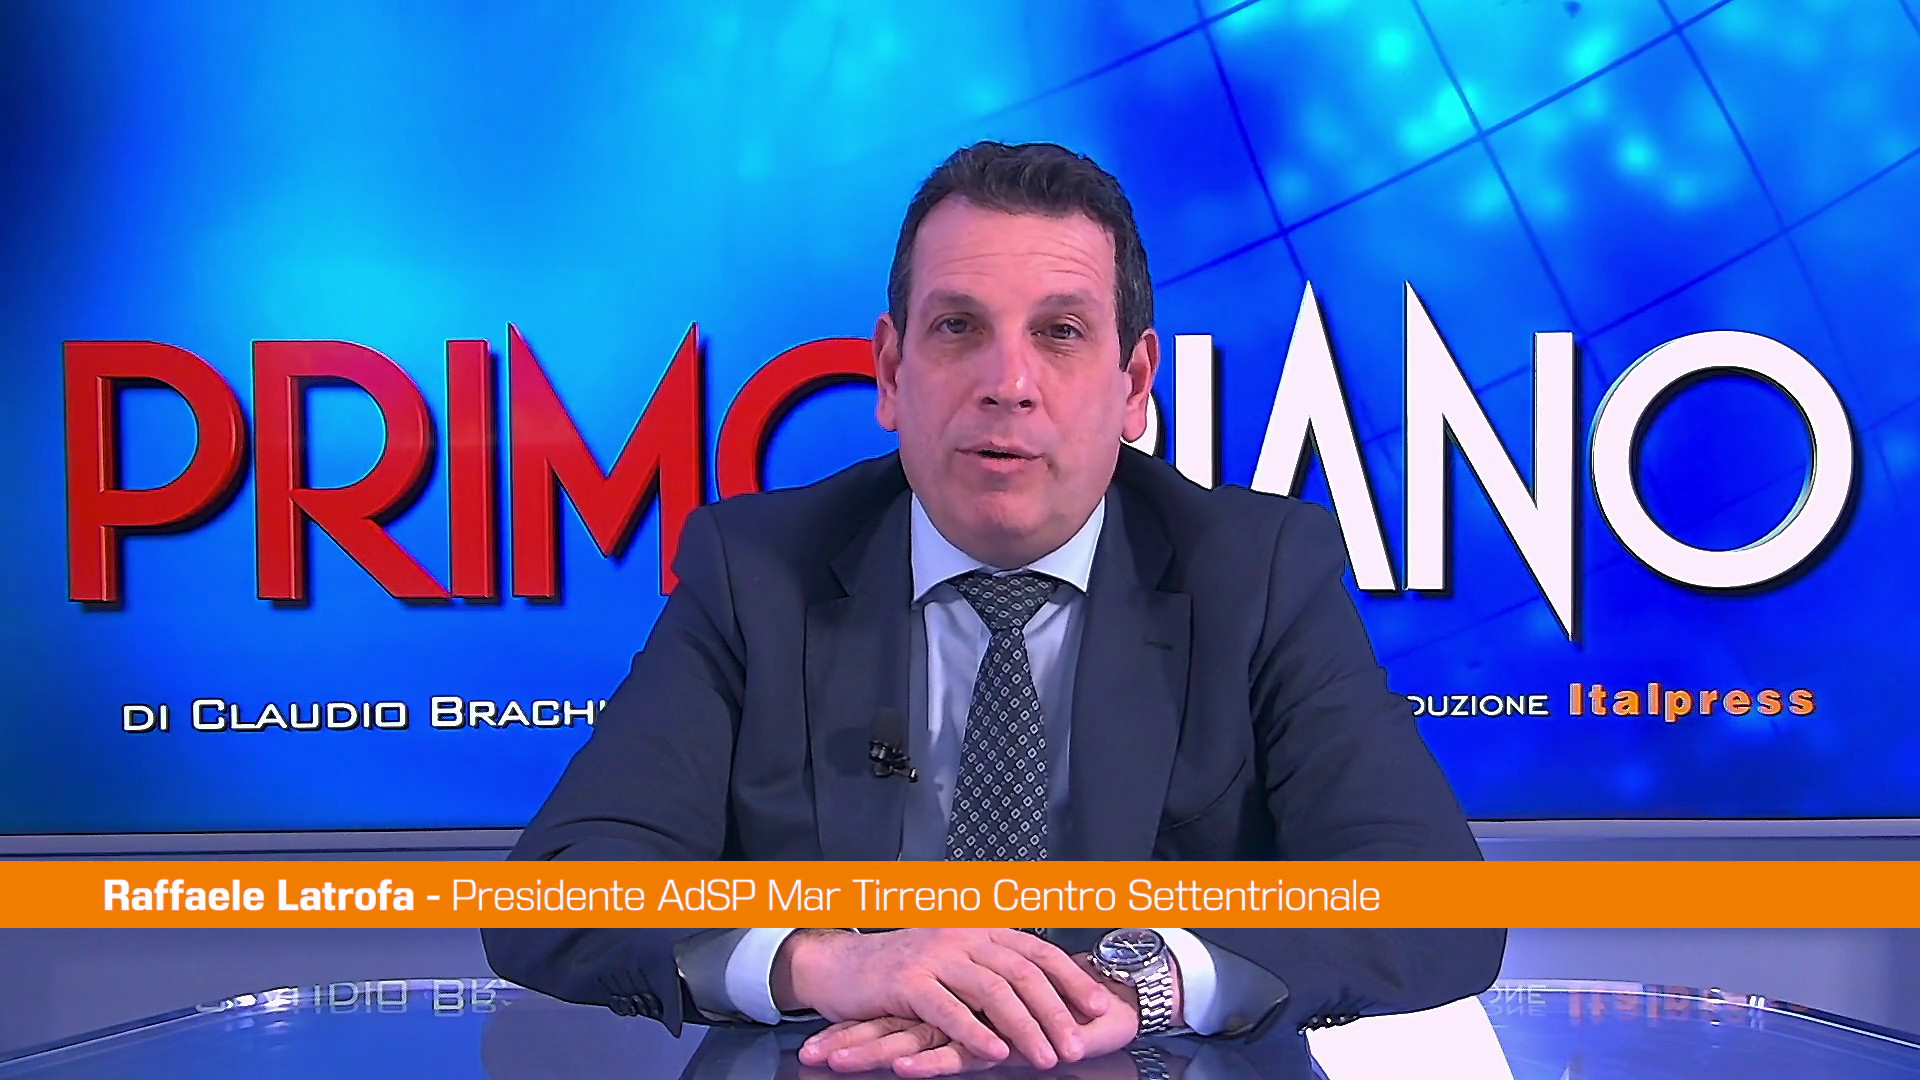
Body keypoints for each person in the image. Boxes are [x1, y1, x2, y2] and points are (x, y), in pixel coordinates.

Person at [483, 140, 1505, 1077]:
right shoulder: (759, 572)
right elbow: (557, 892)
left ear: (1134, 384)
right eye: (959, 328)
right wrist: (824, 964)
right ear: (892, 371)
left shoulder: (1258, 572)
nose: (1008, 383)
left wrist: (1140, 983)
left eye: (1060, 333)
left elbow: (1437, 903)